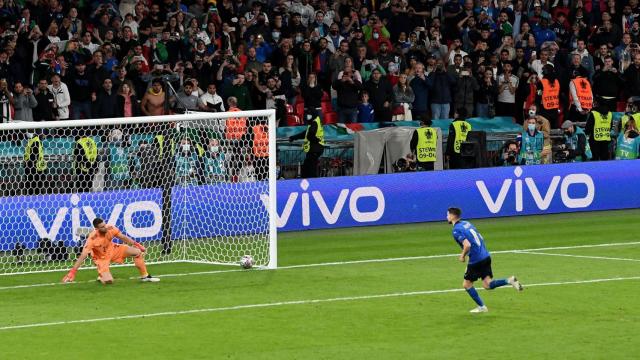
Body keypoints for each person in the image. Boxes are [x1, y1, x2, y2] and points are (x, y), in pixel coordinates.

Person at [447, 207, 523, 313]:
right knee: (487, 284)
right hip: (485, 256)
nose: (447, 217)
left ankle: (482, 307)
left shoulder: (456, 230)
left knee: (467, 284)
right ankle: (509, 280)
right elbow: (479, 237)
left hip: (476, 260)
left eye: (448, 215)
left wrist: (462, 256)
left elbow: (467, 245)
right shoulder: (467, 223)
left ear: (452, 216)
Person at [62, 218, 160, 284]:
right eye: (102, 227)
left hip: (113, 249)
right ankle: (101, 275)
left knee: (137, 252)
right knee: (109, 281)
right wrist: (73, 272)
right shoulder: (92, 239)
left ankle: (145, 276)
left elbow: (123, 237)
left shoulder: (110, 228)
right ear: (96, 228)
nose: (105, 228)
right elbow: (83, 255)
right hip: (101, 258)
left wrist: (137, 244)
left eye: (105, 225)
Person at [289, 108, 325, 178]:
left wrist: (313, 139)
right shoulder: (314, 122)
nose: (308, 116)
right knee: (308, 166)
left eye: (309, 114)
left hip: (315, 149)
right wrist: (293, 137)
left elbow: (310, 135)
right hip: (315, 148)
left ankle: (311, 182)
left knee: (310, 167)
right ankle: (306, 179)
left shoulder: (314, 123)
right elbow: (305, 134)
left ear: (313, 115)